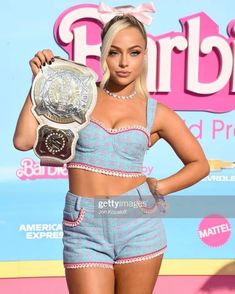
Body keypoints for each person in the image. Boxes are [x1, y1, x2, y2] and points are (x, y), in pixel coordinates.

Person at [13, 3, 210, 294]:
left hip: (138, 222)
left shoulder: (156, 113)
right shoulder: (81, 94)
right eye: (115, 52)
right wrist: (40, 84)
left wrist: (159, 187)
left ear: (144, 55)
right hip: (84, 225)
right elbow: (24, 141)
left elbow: (200, 164)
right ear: (104, 53)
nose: (124, 62)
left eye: (134, 52)